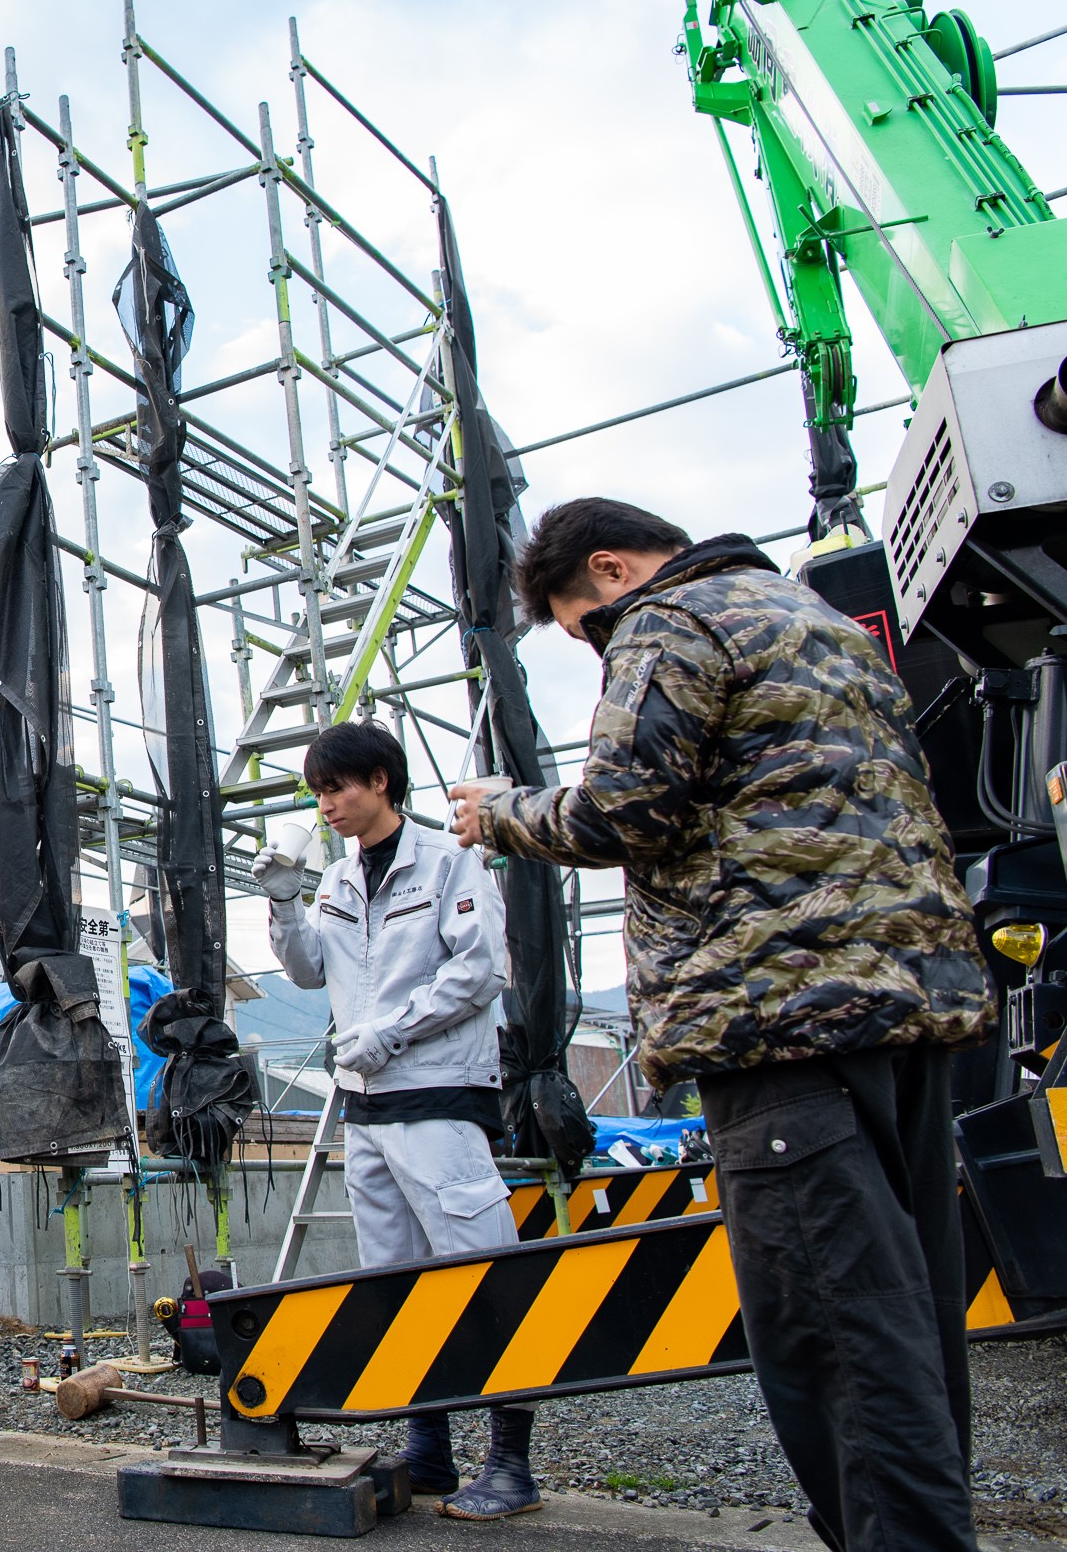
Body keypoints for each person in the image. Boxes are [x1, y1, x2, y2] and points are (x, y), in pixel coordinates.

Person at [451, 497, 990, 1552]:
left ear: (608, 570)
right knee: (910, 1319)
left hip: (775, 1021)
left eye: (581, 626)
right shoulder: (814, 620)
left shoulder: (667, 618)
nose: (597, 646)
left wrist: (502, 813)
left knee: (835, 1334)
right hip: (903, 1007)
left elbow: (622, 807)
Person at [251, 722, 536, 1520]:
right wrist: (282, 901)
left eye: (336, 786)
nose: (326, 804)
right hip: (366, 1108)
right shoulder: (339, 879)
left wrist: (390, 1031)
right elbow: (310, 969)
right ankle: (430, 1451)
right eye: (316, 791)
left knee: (482, 1272)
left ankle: (511, 1464)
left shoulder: (451, 862)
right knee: (397, 1283)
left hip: (438, 1097)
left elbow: (478, 970)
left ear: (380, 780)